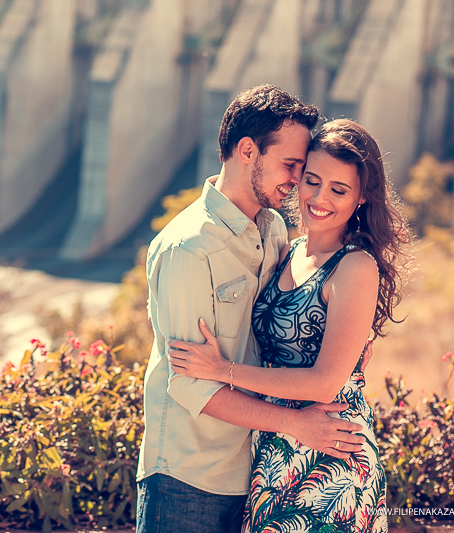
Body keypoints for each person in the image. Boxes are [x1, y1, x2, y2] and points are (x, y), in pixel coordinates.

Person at [136, 85, 367, 533]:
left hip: (260, 471)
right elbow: (189, 385)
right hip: (189, 476)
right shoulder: (188, 248)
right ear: (247, 150)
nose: (298, 181)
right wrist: (295, 423)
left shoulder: (275, 229)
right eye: (292, 166)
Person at [168, 118, 410, 532]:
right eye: (311, 181)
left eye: (339, 190)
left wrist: (220, 371)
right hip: (275, 453)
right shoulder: (287, 249)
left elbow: (323, 384)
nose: (319, 198)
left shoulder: (355, 266)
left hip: (331, 459)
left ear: (361, 200)